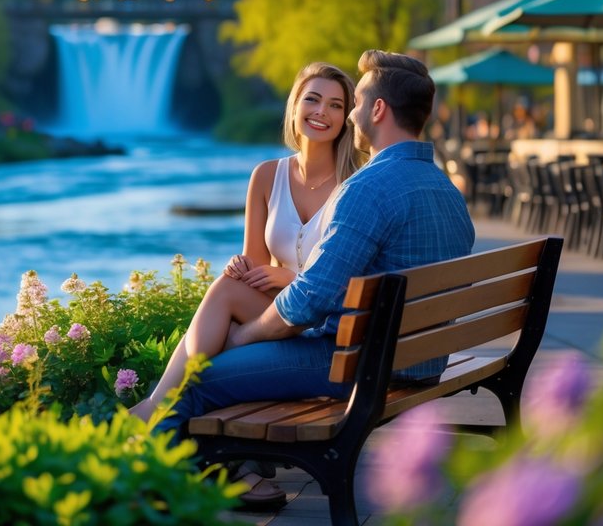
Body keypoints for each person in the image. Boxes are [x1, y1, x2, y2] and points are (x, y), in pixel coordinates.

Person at [155, 51, 475, 454]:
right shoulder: (447, 190)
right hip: (424, 359)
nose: (352, 115)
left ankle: (145, 490)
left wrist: (244, 338)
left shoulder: (367, 188)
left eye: (353, 103)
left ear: (377, 110)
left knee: (198, 381)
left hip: (357, 362)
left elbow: (307, 302)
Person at [130, 62, 362, 433]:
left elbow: (346, 279)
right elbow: (256, 265)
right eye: (313, 99)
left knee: (222, 313)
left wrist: (288, 276)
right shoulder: (267, 175)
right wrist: (241, 267)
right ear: (294, 106)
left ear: (347, 118)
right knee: (227, 287)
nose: (321, 112)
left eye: (336, 105)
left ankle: (156, 407)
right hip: (280, 314)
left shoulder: (355, 182)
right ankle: (171, 411)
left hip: (326, 322)